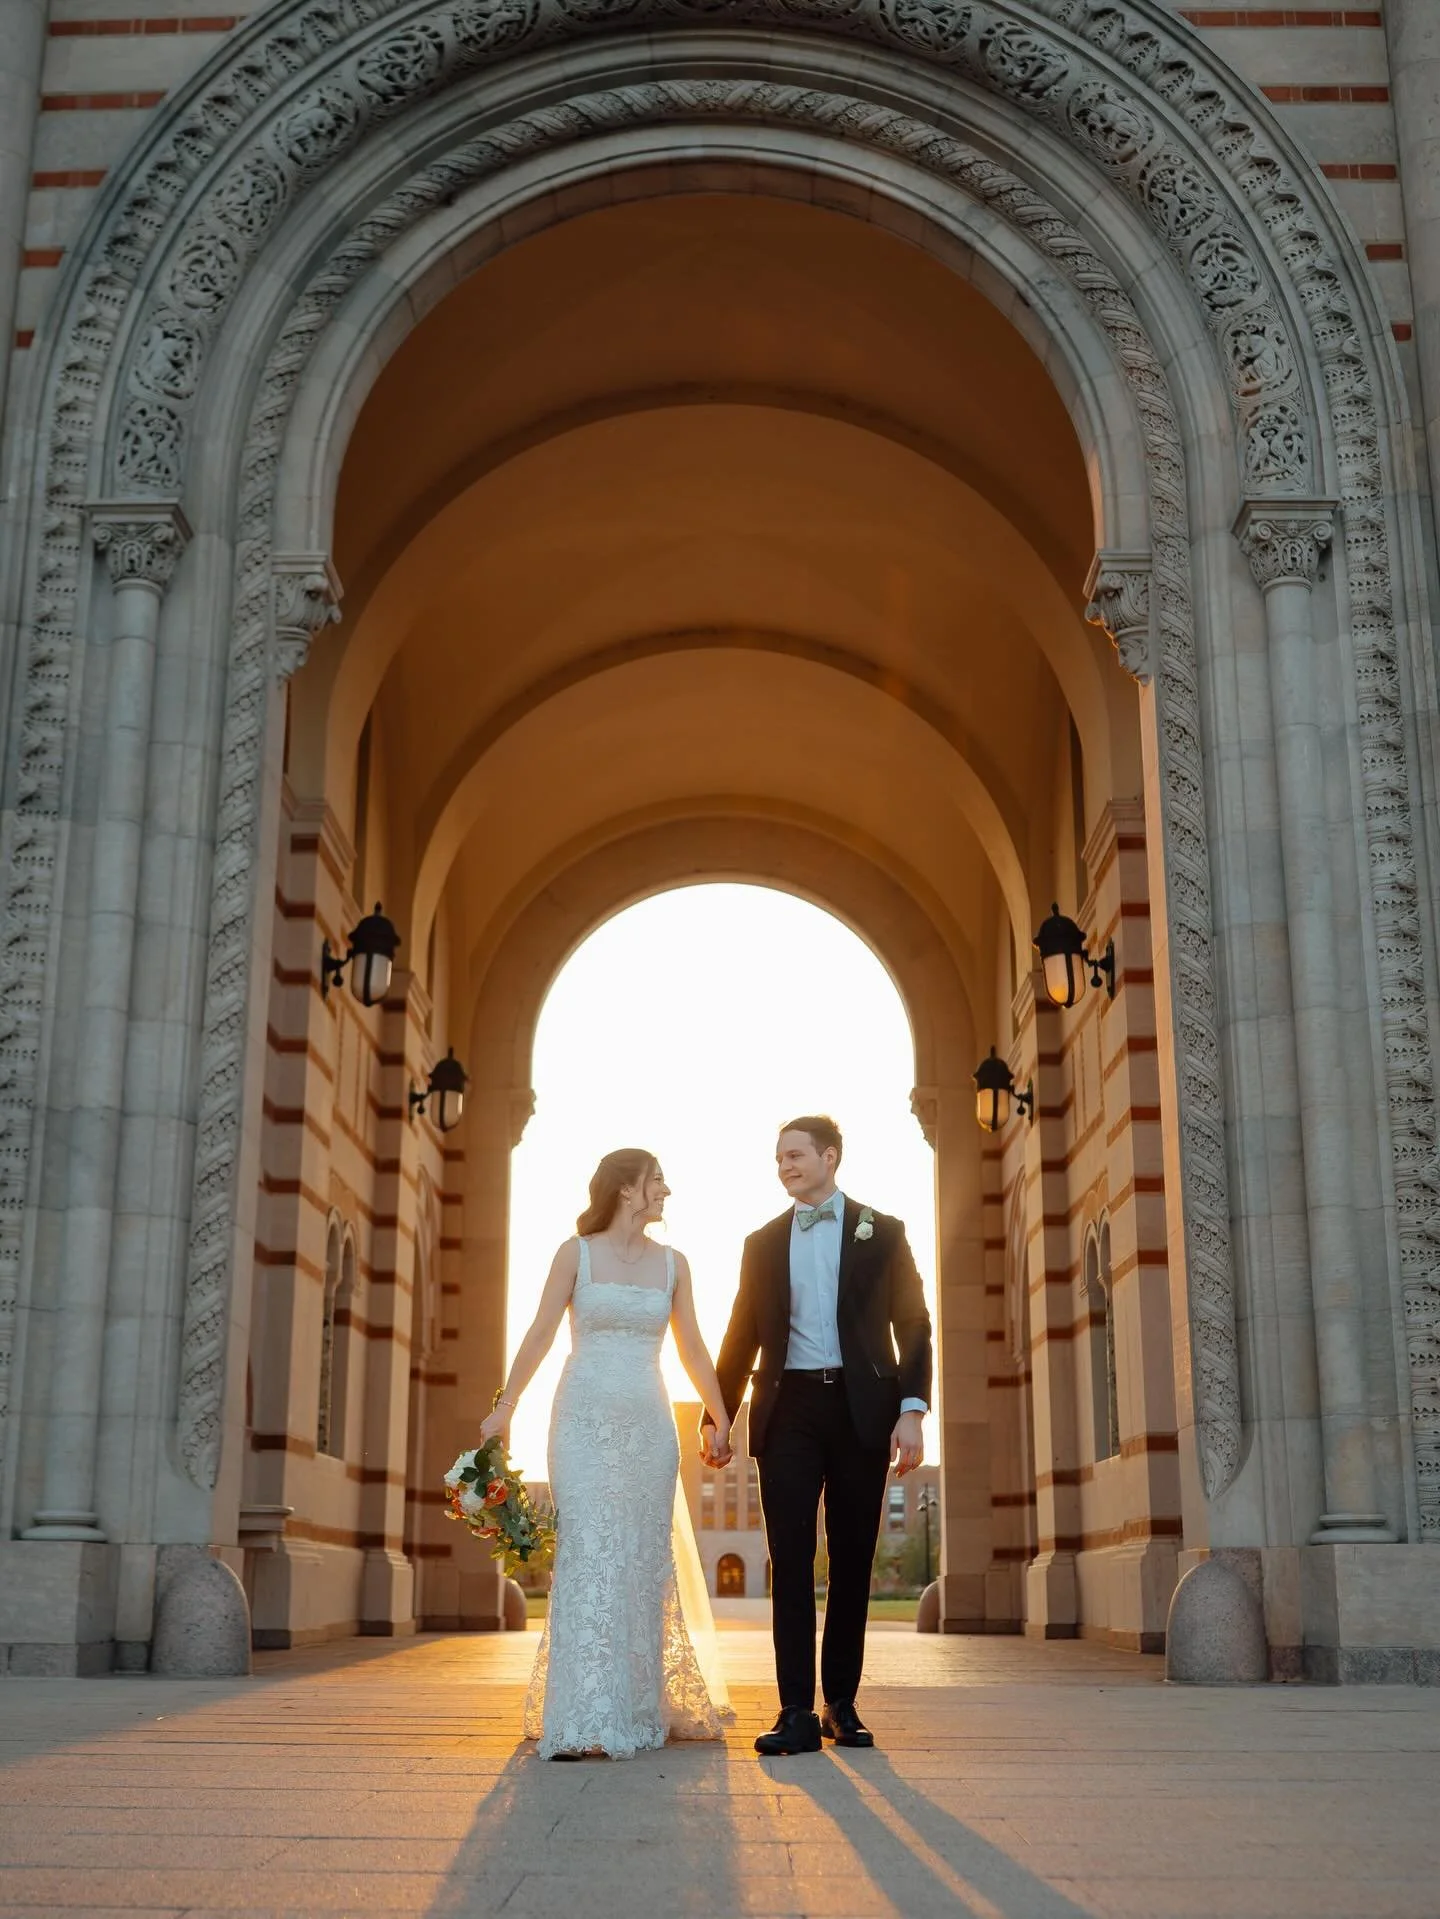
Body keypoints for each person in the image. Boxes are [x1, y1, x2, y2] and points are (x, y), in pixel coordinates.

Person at [478, 1149, 733, 1759]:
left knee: (641, 1559)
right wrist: (506, 1407)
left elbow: (693, 1347)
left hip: (649, 1426)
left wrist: (722, 1415)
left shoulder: (675, 1264)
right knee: (589, 1551)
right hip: (582, 1423)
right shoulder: (576, 1253)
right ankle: (580, 1712)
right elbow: (541, 1331)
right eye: (657, 1180)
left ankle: (635, 1705)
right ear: (626, 1188)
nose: (666, 1190)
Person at [706, 1115, 932, 1756]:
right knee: (791, 1558)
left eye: (795, 1155)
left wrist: (912, 1410)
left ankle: (840, 1704)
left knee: (854, 1557)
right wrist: (718, 1416)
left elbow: (914, 1323)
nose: (784, 1166)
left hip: (864, 1408)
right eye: (779, 1158)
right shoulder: (760, 1243)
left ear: (830, 1157)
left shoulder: (883, 1232)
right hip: (789, 1410)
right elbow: (740, 1333)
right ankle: (795, 1712)